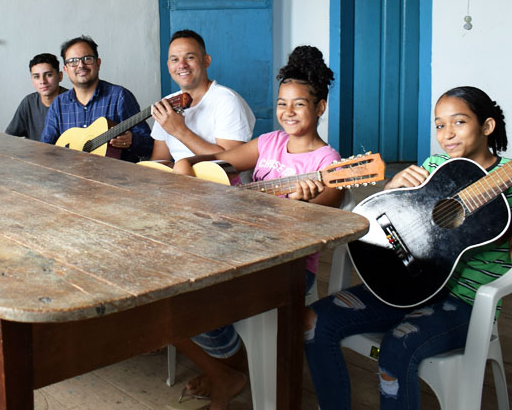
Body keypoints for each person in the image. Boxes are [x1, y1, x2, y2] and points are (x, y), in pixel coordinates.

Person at [304, 86, 512, 410]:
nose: (447, 134)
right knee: (312, 321)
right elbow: (396, 223)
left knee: (397, 346)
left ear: (486, 126)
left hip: (466, 304)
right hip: (411, 285)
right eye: (439, 125)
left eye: (459, 122)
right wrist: (392, 189)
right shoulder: (438, 165)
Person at [171, 45, 347, 410]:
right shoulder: (269, 143)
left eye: (299, 104)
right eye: (283, 103)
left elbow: (318, 226)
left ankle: (232, 369)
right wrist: (187, 164)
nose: (288, 112)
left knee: (198, 302)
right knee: (172, 290)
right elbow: (218, 162)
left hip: (288, 268)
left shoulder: (330, 165)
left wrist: (302, 205)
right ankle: (233, 368)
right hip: (240, 250)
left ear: (320, 107)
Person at [40, 35, 152, 162]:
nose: (81, 65)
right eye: (73, 61)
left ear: (98, 63)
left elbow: (149, 145)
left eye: (87, 59)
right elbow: (46, 149)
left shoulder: (120, 96)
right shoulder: (59, 104)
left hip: (115, 178)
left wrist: (132, 140)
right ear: (65, 69)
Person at [150, 29, 255, 162]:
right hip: (179, 180)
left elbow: (232, 164)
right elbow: (159, 160)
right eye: (175, 60)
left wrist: (179, 130)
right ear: (168, 66)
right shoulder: (167, 104)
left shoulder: (227, 101)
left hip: (219, 182)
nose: (182, 65)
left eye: (190, 57)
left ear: (206, 61)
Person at [5, 53, 66, 141]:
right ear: (32, 79)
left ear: (60, 76)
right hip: (35, 154)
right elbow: (9, 137)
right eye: (36, 76)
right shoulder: (29, 102)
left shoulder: (73, 101)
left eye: (48, 75)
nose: (42, 81)